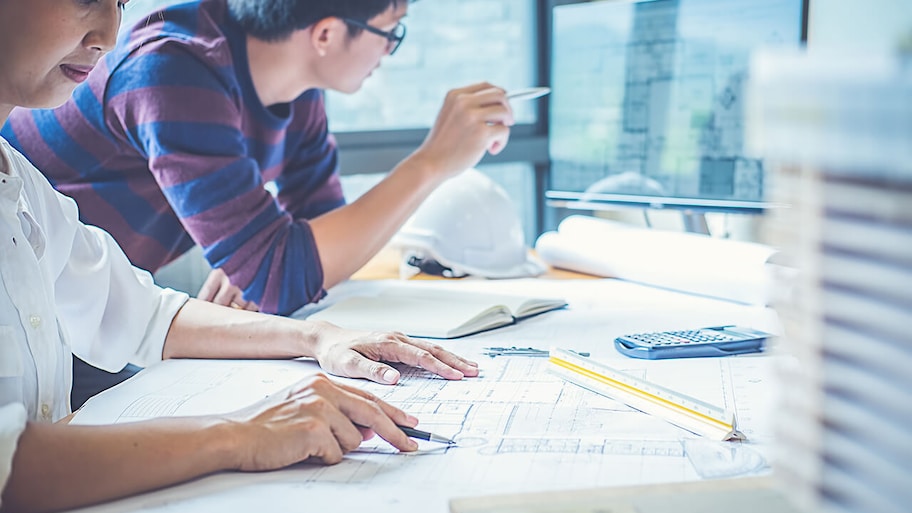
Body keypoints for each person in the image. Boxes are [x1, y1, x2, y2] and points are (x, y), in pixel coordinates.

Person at [0, 1, 482, 510]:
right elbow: (11, 469)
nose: (109, 33)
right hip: (77, 364)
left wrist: (320, 335)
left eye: (120, 2)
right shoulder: (170, 62)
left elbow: (147, 314)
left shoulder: (21, 183)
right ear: (324, 33)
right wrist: (243, 435)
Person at [1, 0, 514, 316]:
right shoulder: (171, 67)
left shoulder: (300, 91)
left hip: (114, 301)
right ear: (326, 34)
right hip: (47, 311)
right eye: (390, 31)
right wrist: (430, 164)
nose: (388, 51)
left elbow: (318, 230)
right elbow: (283, 275)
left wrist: (266, 259)